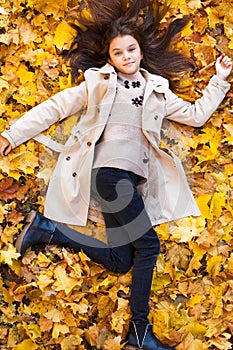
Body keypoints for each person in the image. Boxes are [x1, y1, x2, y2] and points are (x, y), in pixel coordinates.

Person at [0, 0, 232, 349]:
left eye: (131, 49)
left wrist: (220, 80)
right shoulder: (99, 84)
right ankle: (139, 333)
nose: (127, 57)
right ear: (109, 59)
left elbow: (197, 115)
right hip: (109, 177)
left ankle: (46, 230)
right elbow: (54, 108)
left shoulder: (157, 91)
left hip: (127, 185)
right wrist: (10, 135)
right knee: (149, 245)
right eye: (118, 52)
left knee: (122, 260)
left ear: (140, 51)